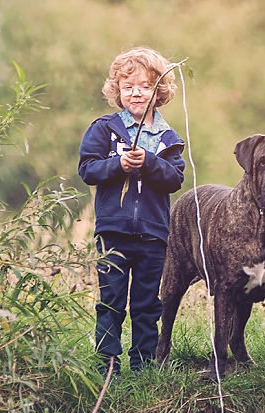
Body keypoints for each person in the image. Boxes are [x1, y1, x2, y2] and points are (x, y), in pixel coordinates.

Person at [78, 47, 185, 376]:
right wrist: (119, 165)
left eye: (145, 85)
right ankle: (107, 367)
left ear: (159, 91)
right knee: (111, 300)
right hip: (114, 231)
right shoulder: (105, 129)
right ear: (117, 91)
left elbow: (175, 179)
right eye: (128, 86)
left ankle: (143, 368)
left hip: (153, 235)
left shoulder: (168, 138)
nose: (136, 92)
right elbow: (88, 169)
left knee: (146, 304)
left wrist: (150, 162)